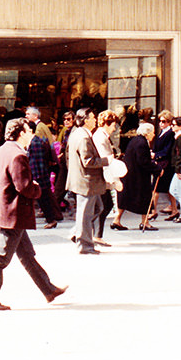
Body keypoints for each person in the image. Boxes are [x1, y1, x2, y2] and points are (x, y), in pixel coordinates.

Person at [0, 117, 67, 311]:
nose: (32, 134)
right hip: (15, 212)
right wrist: (37, 189)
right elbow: (25, 187)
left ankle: (49, 289)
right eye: (29, 131)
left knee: (26, 254)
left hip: (6, 210)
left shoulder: (0, 151)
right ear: (21, 133)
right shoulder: (18, 155)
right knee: (1, 257)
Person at [66, 108, 111, 254]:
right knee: (86, 213)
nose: (95, 120)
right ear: (86, 120)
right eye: (92, 118)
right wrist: (106, 160)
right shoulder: (83, 137)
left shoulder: (77, 134)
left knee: (97, 208)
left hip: (83, 179)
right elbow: (88, 161)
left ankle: (77, 233)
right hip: (86, 181)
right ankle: (84, 245)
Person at [112, 122, 162, 232]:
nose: (153, 135)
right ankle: (145, 222)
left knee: (125, 198)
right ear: (147, 133)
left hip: (130, 175)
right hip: (137, 177)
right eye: (153, 133)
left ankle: (117, 220)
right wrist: (157, 169)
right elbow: (143, 161)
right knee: (145, 197)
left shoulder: (135, 140)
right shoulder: (142, 143)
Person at [91, 110, 121, 246]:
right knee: (103, 205)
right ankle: (93, 234)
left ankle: (90, 233)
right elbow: (105, 161)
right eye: (114, 125)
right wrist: (115, 180)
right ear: (108, 124)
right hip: (102, 177)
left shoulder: (101, 136)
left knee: (103, 205)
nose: (114, 129)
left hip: (103, 177)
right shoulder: (100, 137)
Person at [27, 120, 60, 229]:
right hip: (39, 175)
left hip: (39, 176)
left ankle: (51, 219)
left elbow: (37, 162)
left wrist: (36, 177)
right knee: (44, 198)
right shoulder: (35, 142)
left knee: (44, 199)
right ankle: (51, 218)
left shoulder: (35, 142)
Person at [150, 110, 176, 220]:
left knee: (156, 189)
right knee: (167, 189)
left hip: (165, 165)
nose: (161, 123)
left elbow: (168, 150)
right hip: (162, 163)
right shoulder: (162, 133)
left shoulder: (170, 133)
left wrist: (155, 155)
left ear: (169, 122)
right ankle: (174, 210)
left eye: (163, 121)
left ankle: (153, 210)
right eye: (159, 121)